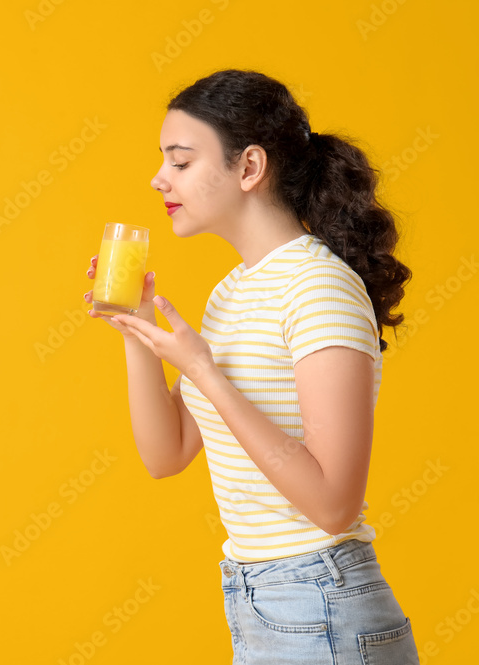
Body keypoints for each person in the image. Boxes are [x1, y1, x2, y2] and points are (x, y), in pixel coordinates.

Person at [83, 69, 418, 664]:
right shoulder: (232, 294)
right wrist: (136, 331)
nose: (158, 178)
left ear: (249, 168)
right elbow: (167, 456)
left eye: (180, 161)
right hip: (258, 597)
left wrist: (206, 373)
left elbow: (334, 503)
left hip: (321, 603)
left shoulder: (318, 288)